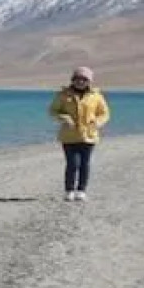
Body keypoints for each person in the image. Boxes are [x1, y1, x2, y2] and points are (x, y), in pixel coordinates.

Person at [47, 66, 109, 202]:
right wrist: (64, 117)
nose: (80, 82)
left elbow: (104, 113)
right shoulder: (63, 95)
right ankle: (69, 190)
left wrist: (97, 122)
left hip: (89, 136)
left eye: (84, 79)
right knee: (72, 164)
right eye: (77, 79)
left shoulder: (96, 96)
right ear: (73, 80)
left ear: (89, 81)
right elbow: (53, 111)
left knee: (84, 164)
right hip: (69, 136)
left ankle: (81, 190)